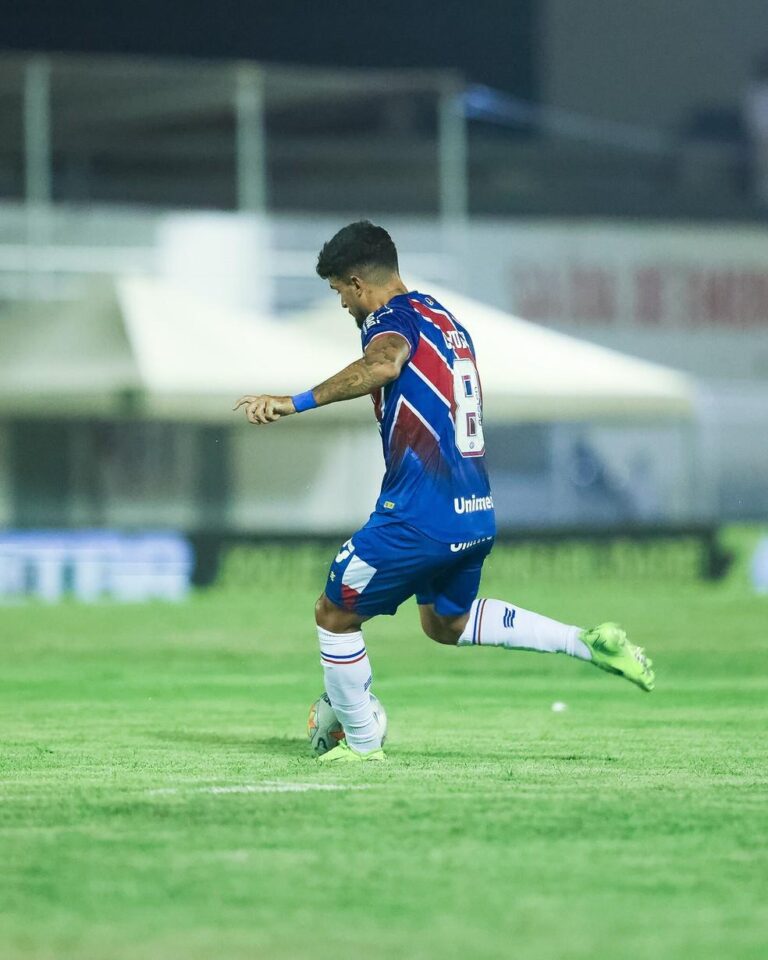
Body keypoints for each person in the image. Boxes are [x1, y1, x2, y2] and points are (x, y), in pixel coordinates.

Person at [234, 221, 655, 763]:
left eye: (340, 292)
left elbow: (384, 362)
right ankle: (588, 641)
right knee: (445, 623)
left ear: (359, 283)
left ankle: (362, 744)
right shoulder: (445, 318)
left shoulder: (390, 319)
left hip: (419, 513)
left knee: (334, 615)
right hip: (474, 510)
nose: (343, 305)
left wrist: (296, 402)